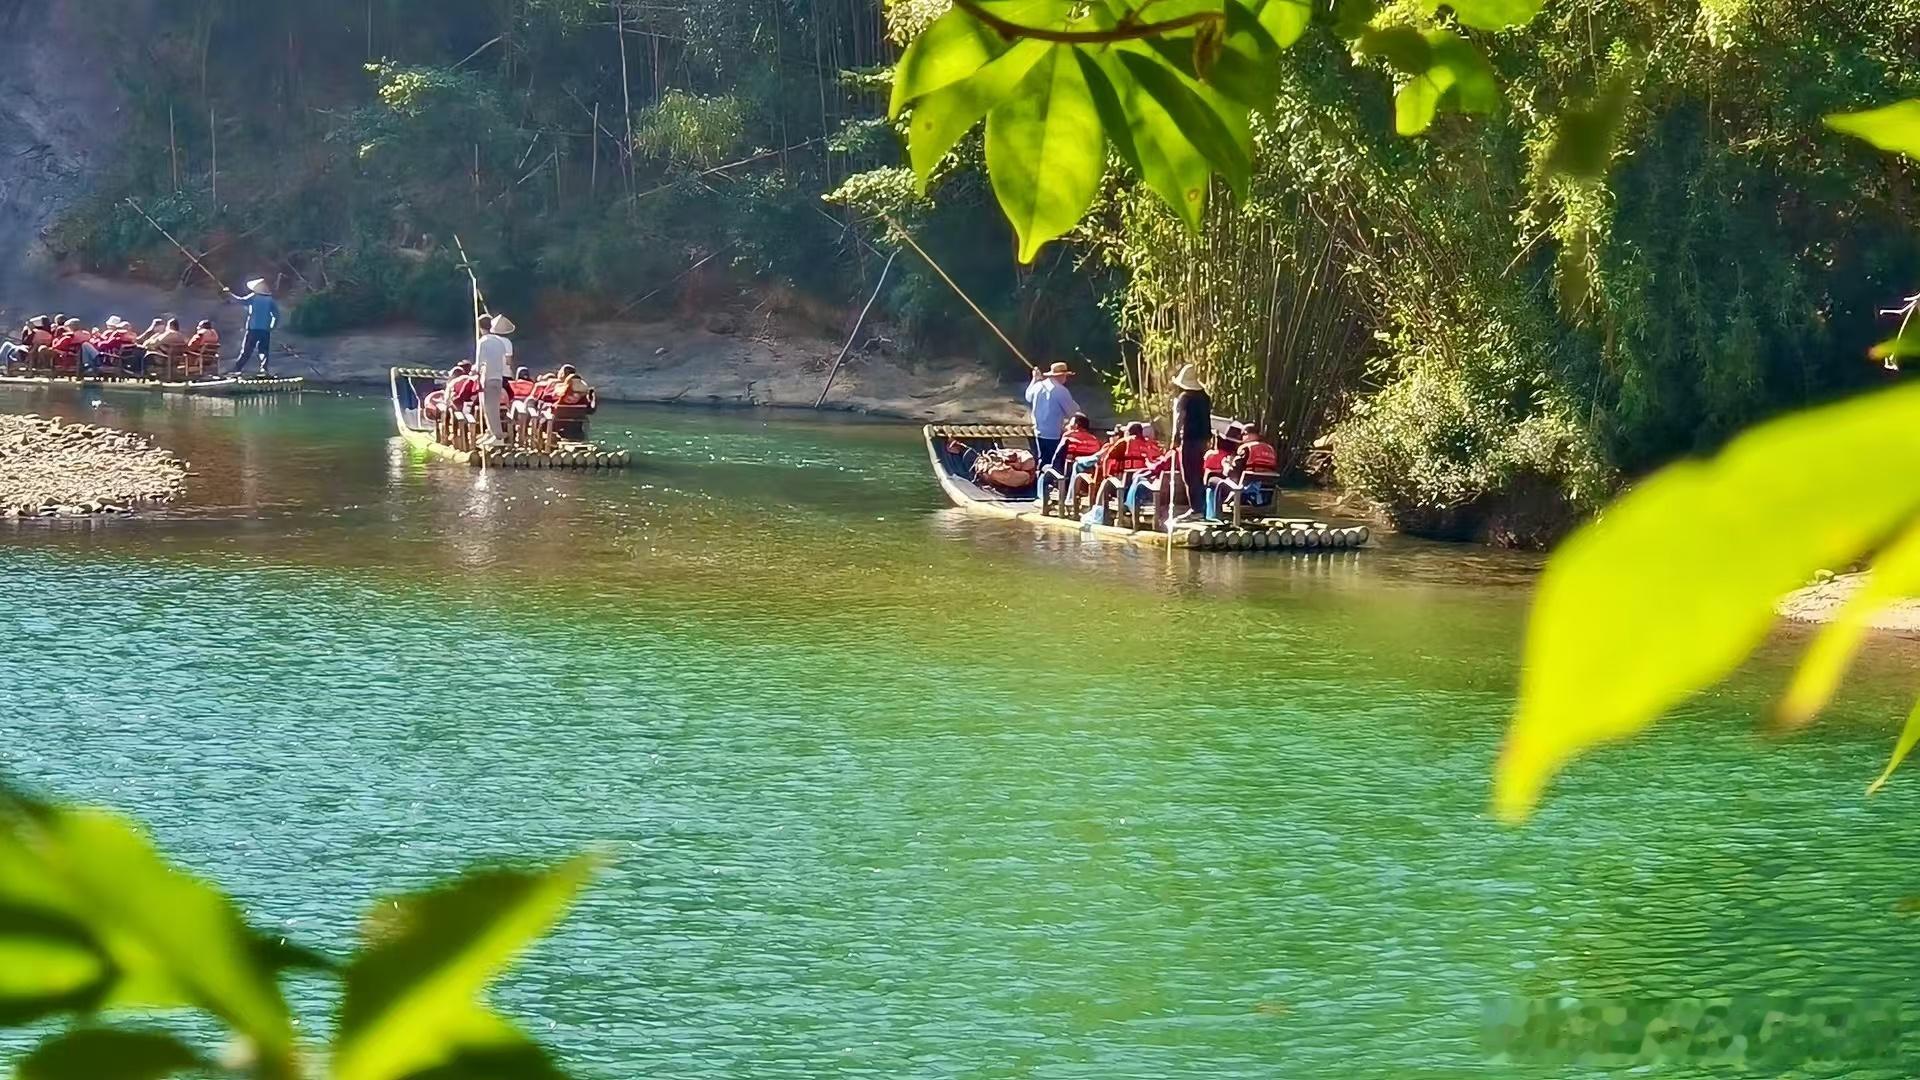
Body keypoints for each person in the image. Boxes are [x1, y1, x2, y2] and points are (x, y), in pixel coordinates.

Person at [1169, 364, 1212, 522]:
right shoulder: (1205, 398)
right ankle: (1202, 508)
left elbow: (1179, 420)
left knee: (1189, 475)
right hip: (1203, 439)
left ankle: (1196, 509)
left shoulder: (1184, 398)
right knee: (1199, 474)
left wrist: (1175, 439)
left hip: (1189, 439)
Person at [1023, 361, 1079, 470]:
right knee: (1052, 461)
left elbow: (1028, 396)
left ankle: (1040, 480)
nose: (1065, 379)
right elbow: (1072, 411)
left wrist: (1035, 379)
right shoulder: (1061, 391)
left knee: (1042, 458)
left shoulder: (1038, 385)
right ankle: (1046, 483)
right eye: (1065, 376)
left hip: (1038, 430)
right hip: (1053, 433)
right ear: (1060, 376)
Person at [474, 314, 515, 445]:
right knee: (493, 407)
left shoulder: (483, 341)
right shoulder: (499, 342)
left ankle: (497, 437)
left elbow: (479, 362)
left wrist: (475, 371)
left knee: (489, 408)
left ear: (480, 327)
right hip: (498, 377)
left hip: (488, 377)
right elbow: (505, 360)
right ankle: (492, 433)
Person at [228, 278, 280, 375]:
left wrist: (228, 294)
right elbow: (276, 315)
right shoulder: (270, 300)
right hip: (265, 330)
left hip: (253, 328)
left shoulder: (254, 297)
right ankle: (264, 369)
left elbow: (240, 301)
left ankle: (237, 368)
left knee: (247, 350)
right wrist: (272, 327)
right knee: (263, 350)